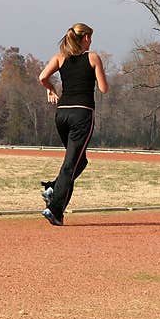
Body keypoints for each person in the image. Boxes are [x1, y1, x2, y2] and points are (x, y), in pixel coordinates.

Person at [37, 22, 109, 226]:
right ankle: (55, 210)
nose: (91, 42)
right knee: (71, 164)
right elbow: (104, 89)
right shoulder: (93, 57)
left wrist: (50, 89)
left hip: (62, 115)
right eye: (90, 38)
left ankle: (53, 187)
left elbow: (42, 77)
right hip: (82, 114)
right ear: (85, 38)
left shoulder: (60, 58)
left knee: (79, 161)